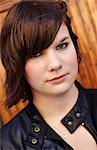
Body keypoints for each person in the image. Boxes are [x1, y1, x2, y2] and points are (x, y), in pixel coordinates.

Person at [0, 0, 97, 149]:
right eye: (37, 54)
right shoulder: (7, 144)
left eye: (62, 45)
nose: (55, 64)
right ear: (18, 64)